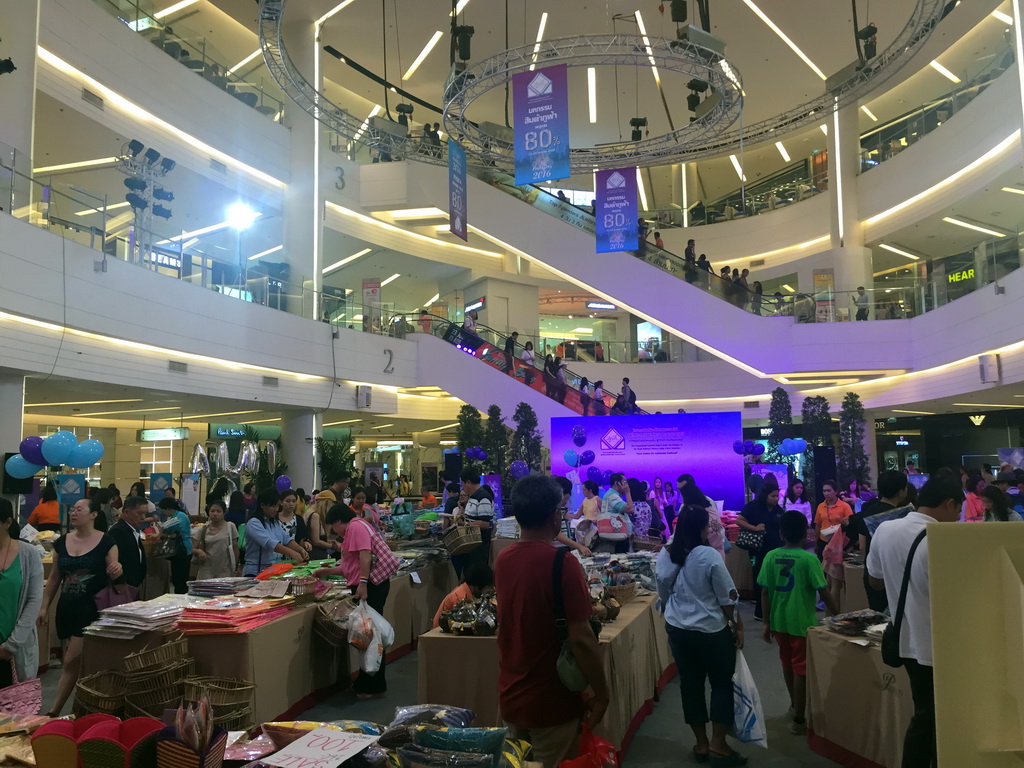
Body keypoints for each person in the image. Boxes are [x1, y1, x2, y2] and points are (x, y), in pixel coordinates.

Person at [495, 475, 609, 768]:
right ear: (554, 516)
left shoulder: (504, 559)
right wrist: (602, 694)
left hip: (512, 691)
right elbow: (582, 639)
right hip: (552, 698)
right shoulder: (563, 562)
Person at [867, 476, 962, 768]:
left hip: (905, 641)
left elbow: (875, 581)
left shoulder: (885, 528)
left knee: (926, 713)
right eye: (958, 511)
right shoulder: (945, 540)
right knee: (936, 720)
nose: (958, 518)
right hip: (941, 646)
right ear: (948, 504)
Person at [656, 504, 746, 766]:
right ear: (700, 528)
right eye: (707, 526)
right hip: (711, 630)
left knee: (690, 685)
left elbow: (662, 589)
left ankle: (701, 743)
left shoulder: (666, 553)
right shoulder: (708, 556)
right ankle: (719, 743)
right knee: (721, 683)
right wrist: (738, 625)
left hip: (678, 630)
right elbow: (726, 598)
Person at [759, 510, 839, 735]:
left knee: (786, 663)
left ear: (781, 533)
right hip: (801, 622)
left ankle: (794, 704)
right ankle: (799, 718)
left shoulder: (770, 556)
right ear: (806, 534)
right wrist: (837, 614)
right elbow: (823, 592)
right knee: (801, 669)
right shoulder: (809, 558)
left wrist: (766, 622)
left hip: (778, 621)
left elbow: (765, 592)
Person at [40, 498, 121, 717]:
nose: (74, 513)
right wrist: (45, 606)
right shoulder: (61, 542)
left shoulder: (107, 541)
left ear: (93, 514)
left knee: (70, 661)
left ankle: (54, 710)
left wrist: (116, 569)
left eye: (80, 509)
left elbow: (116, 570)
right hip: (67, 607)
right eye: (72, 510)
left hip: (92, 609)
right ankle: (84, 708)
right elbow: (55, 577)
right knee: (76, 662)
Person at [315, 504, 401, 699]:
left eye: (332, 527)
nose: (334, 532)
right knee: (367, 633)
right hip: (367, 584)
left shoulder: (356, 527)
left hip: (370, 585)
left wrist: (362, 583)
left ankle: (372, 685)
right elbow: (349, 566)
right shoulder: (357, 527)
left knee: (370, 635)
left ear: (337, 521)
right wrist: (325, 572)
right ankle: (367, 681)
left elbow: (365, 555)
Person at [848, 470, 908, 612]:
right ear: (901, 492)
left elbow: (862, 546)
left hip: (871, 573)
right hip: (894, 573)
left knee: (877, 616)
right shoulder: (902, 515)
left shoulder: (867, 512)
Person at [0, 499, 42, 694]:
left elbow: (33, 601)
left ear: (8, 523)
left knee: (15, 714)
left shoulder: (29, 554)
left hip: (14, 649)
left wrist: (12, 644)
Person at [737, 485, 784, 621]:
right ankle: (760, 611)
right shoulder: (753, 506)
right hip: (757, 548)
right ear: (765, 495)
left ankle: (773, 609)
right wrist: (755, 528)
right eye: (772, 496)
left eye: (777, 496)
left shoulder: (778, 510)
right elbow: (739, 520)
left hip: (775, 548)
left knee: (774, 577)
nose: (776, 499)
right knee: (760, 577)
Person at [242, 489, 308, 577]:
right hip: (255, 572)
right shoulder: (254, 523)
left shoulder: (274, 522)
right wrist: (291, 552)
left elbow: (286, 539)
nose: (276, 509)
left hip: (272, 570)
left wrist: (300, 549)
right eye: (273, 506)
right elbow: (269, 543)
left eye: (277, 506)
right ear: (262, 505)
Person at [432, 563, 494, 628]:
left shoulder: (464, 592)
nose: (487, 591)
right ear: (477, 586)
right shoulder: (460, 598)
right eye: (487, 588)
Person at [678, 476, 725, 560]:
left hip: (702, 555)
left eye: (683, 490)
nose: (681, 493)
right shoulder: (706, 502)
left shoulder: (690, 507)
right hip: (713, 554)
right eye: (679, 490)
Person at [192, 499, 239, 579]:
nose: (215, 514)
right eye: (212, 511)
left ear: (224, 513)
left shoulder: (230, 527)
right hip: (206, 570)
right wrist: (198, 551)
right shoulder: (203, 529)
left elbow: (235, 548)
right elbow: (192, 548)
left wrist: (236, 566)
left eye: (218, 511)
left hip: (225, 570)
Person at [108, 495, 147, 589]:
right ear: (126, 512)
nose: (143, 517)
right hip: (125, 585)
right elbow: (116, 562)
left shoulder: (133, 529)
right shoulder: (118, 531)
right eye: (140, 513)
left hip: (134, 584)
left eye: (145, 514)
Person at [460, 469, 496, 570]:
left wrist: (465, 524)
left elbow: (485, 523)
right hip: (470, 543)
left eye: (462, 483)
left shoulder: (483, 497)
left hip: (479, 545)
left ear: (468, 482)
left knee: (475, 573)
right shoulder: (472, 497)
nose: (462, 486)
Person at [157, 497, 193, 594]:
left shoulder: (180, 516)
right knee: (176, 577)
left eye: (163, 510)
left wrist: (162, 533)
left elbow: (172, 530)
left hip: (183, 549)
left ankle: (182, 598)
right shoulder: (174, 516)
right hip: (177, 551)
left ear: (168, 508)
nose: (164, 513)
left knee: (181, 578)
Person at [813, 480, 853, 558]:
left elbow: (851, 525)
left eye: (829, 491)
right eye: (824, 491)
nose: (826, 494)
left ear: (836, 491)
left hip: (839, 541)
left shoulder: (844, 506)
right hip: (823, 541)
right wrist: (816, 542)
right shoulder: (820, 506)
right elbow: (818, 525)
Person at [596, 473, 634, 554]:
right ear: (617, 483)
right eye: (624, 481)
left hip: (617, 536)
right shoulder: (612, 495)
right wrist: (628, 492)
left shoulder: (614, 495)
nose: (626, 484)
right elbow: (629, 509)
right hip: (616, 538)